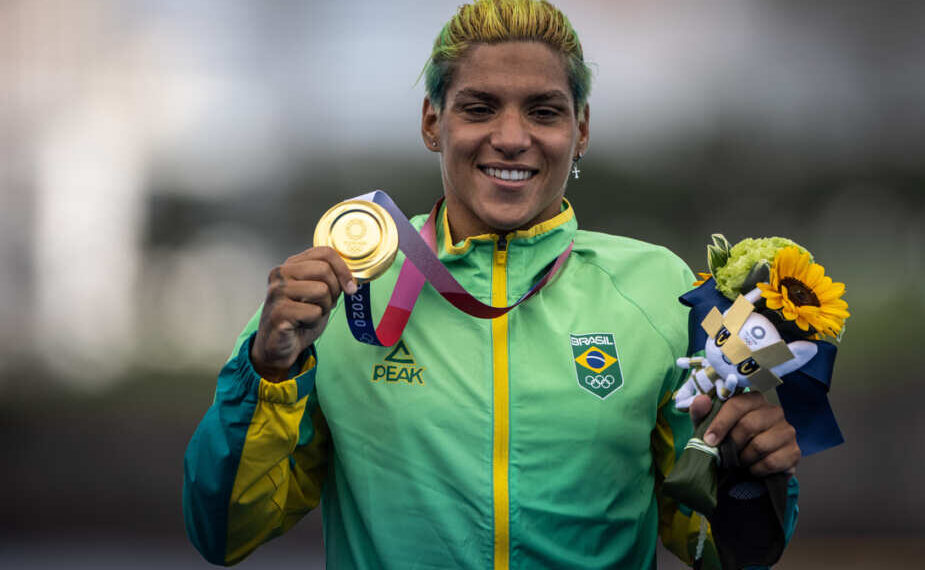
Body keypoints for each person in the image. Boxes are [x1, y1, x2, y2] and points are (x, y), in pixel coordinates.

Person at [183, 1, 801, 568]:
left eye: (544, 111)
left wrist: (748, 478)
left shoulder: (659, 289)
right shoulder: (343, 291)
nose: (510, 138)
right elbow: (225, 532)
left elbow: (718, 550)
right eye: (479, 108)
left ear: (581, 130)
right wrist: (268, 370)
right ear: (433, 122)